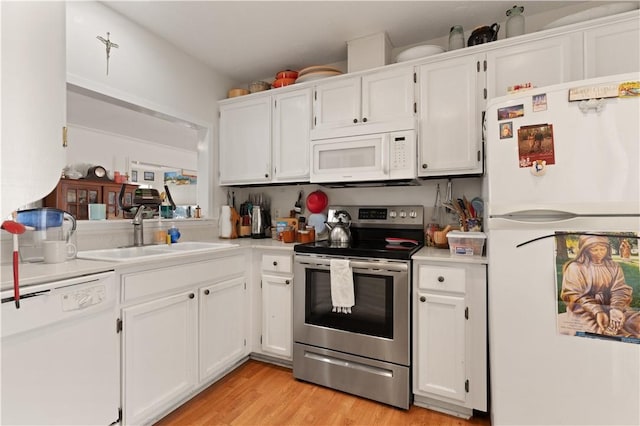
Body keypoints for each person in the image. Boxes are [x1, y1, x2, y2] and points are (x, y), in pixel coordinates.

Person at [561, 235, 640, 338]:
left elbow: (620, 289)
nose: (599, 253)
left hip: (612, 305)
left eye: (603, 249)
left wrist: (616, 308)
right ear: (585, 250)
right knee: (600, 331)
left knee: (635, 321)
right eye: (594, 250)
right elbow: (573, 295)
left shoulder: (613, 266)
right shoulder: (575, 268)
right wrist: (597, 310)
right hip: (584, 309)